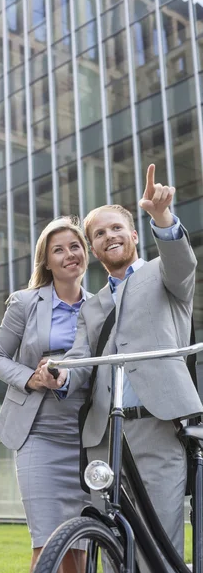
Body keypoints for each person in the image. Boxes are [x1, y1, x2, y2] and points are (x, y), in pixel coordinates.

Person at [40, 164, 203, 571]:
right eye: (99, 233)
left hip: (158, 425)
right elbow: (79, 359)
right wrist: (58, 373)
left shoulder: (163, 276)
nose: (109, 236)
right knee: (112, 539)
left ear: (133, 235)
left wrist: (161, 218)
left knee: (158, 537)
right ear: (93, 250)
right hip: (105, 436)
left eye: (117, 229)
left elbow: (183, 264)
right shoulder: (92, 304)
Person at [0, 216, 92, 573]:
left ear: (85, 253)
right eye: (58, 250)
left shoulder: (100, 306)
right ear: (46, 261)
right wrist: (30, 379)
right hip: (38, 433)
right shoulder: (25, 302)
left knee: (79, 545)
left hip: (87, 437)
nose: (68, 255)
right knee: (47, 540)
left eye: (75, 247)